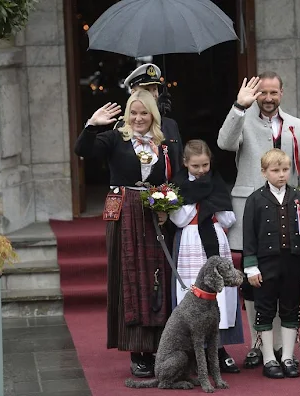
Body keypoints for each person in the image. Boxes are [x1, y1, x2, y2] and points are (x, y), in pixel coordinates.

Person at [74, 90, 172, 378]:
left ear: (153, 114)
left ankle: (157, 345)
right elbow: (83, 151)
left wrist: (169, 204)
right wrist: (92, 125)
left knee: (156, 278)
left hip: (155, 214)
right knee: (131, 277)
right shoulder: (115, 137)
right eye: (133, 112)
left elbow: (172, 175)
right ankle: (137, 350)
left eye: (144, 112)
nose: (138, 118)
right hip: (125, 213)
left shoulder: (162, 143)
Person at [217, 71, 300, 369]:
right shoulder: (242, 118)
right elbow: (224, 143)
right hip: (249, 206)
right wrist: (238, 107)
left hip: (287, 210)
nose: (268, 98)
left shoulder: (297, 125)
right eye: (263, 93)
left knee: (283, 277)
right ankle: (259, 342)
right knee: (253, 279)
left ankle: (282, 344)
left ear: (282, 93)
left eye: (273, 93)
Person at [242, 149, 300, 379]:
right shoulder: (255, 200)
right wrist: (251, 267)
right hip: (265, 265)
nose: (281, 175)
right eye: (275, 170)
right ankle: (269, 357)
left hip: (292, 263)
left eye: (285, 170)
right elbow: (248, 237)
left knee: (290, 308)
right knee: (265, 309)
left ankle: (287, 356)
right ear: (264, 172)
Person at [169, 139, 244, 374]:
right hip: (189, 241)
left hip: (214, 237)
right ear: (185, 164)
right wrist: (201, 202)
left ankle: (219, 351)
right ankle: (192, 352)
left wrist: (208, 206)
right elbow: (179, 218)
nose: (201, 171)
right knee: (192, 294)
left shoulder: (217, 181)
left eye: (205, 165)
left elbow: (229, 218)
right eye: (195, 166)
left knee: (219, 294)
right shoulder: (178, 184)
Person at [112, 63, 183, 179]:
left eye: (155, 89)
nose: (154, 95)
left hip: (167, 194)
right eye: (147, 90)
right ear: (133, 93)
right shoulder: (122, 127)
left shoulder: (170, 125)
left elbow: (178, 165)